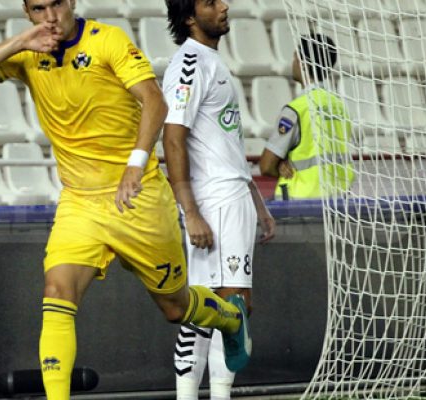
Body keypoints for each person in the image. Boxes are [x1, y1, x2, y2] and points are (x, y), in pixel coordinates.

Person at [0, 1, 251, 399]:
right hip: (80, 202)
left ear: (70, 2)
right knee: (57, 292)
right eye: (38, 9)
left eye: (56, 4)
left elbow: (155, 102)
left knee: (175, 307)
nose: (50, 16)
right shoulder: (27, 54)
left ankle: (228, 318)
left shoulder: (108, 41)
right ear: (28, 13)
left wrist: (135, 163)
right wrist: (21, 41)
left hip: (137, 197)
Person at [162, 1, 277, 399]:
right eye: (211, 1)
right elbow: (172, 137)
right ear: (190, 17)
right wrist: (190, 212)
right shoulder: (189, 64)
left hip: (233, 197)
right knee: (223, 308)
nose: (225, 5)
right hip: (213, 201)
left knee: (230, 309)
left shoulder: (212, 61)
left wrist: (255, 201)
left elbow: (223, 142)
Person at [259, 33, 355, 199]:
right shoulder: (340, 106)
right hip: (338, 200)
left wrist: (281, 165)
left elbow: (266, 166)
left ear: (303, 64)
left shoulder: (296, 109)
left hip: (300, 203)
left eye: (295, 57)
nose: (293, 63)